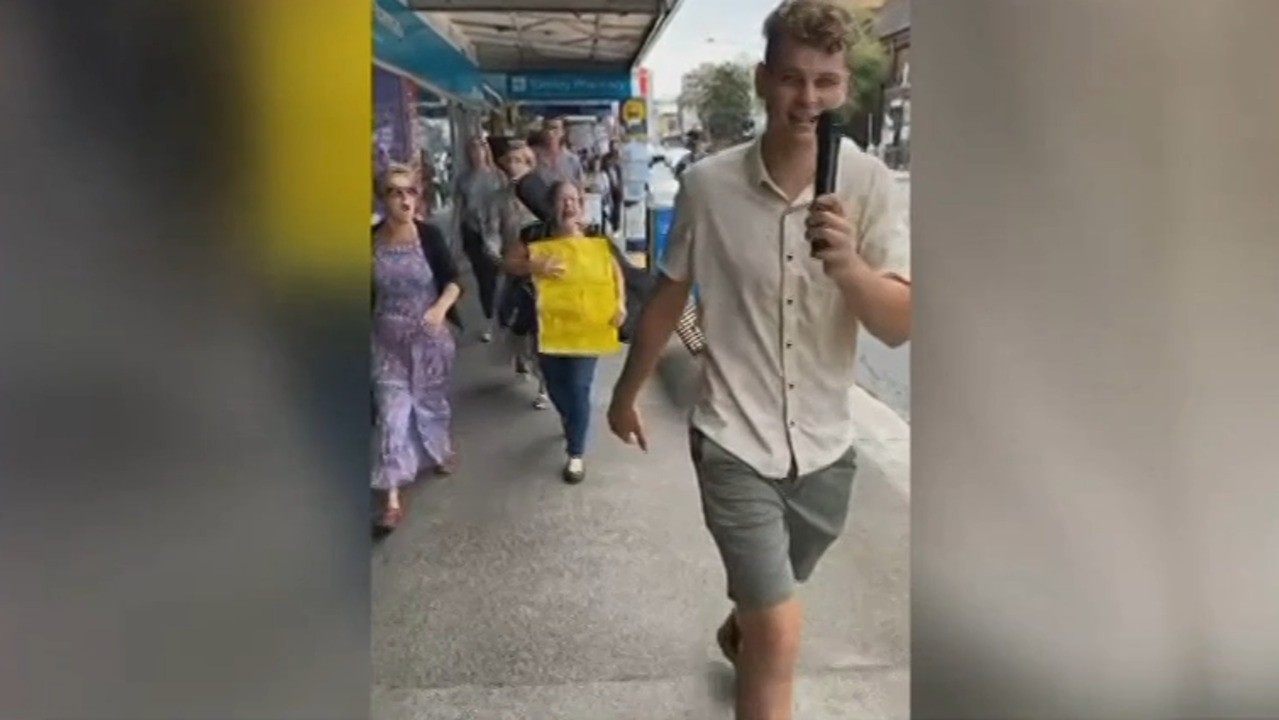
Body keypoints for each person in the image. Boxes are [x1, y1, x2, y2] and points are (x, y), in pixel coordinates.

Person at [605, 1, 912, 718]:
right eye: (791, 79)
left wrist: (849, 269)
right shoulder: (708, 186)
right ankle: (754, 627)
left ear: (844, 89)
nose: (808, 99)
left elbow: (896, 326)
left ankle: (740, 623)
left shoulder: (866, 185)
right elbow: (667, 299)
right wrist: (625, 393)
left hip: (825, 452)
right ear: (761, 79)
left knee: (765, 608)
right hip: (731, 439)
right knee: (779, 631)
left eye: (826, 82)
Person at [504, 180, 626, 484]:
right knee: (557, 386)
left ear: (581, 204)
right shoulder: (535, 234)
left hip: (587, 329)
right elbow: (509, 263)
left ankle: (575, 453)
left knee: (579, 386)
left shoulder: (596, 235)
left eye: (574, 199)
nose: (569, 205)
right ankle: (571, 420)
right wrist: (535, 266)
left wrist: (620, 302)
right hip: (549, 327)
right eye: (562, 200)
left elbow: (615, 270)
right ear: (551, 206)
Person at [371, 163, 464, 533]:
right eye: (395, 192)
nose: (404, 198)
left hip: (429, 338)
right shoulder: (371, 239)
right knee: (392, 414)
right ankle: (391, 498)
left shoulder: (429, 236)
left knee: (429, 402)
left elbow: (454, 281)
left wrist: (440, 309)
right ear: (383, 199)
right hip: (386, 340)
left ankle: (439, 450)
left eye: (410, 191)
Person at [494, 139, 552, 410]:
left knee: (540, 329)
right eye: (510, 160)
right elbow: (493, 228)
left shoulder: (540, 194)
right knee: (511, 320)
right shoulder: (501, 197)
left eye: (520, 160)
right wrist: (494, 254)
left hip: (542, 272)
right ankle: (522, 356)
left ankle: (544, 386)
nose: (514, 165)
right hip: (512, 267)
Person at [453, 135, 507, 342]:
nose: (476, 153)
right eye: (472, 149)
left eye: (480, 149)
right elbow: (459, 209)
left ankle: (498, 316)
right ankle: (490, 319)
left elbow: (507, 207)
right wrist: (455, 237)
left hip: (495, 233)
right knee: (484, 278)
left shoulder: (498, 176)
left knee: (496, 277)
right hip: (472, 233)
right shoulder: (464, 179)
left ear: (486, 152)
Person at [533, 116, 585, 189]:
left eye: (554, 128)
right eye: (546, 127)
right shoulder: (532, 156)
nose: (549, 132)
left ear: (563, 132)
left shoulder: (572, 160)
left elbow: (580, 188)